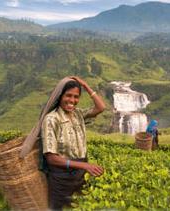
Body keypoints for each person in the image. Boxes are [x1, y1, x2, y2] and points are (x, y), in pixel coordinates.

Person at [20, 76, 106, 210]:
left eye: (76, 97)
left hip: (79, 175)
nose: (72, 100)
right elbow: (51, 159)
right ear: (60, 96)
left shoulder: (77, 114)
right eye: (68, 95)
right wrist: (84, 165)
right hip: (62, 179)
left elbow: (101, 107)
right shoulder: (51, 119)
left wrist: (85, 85)